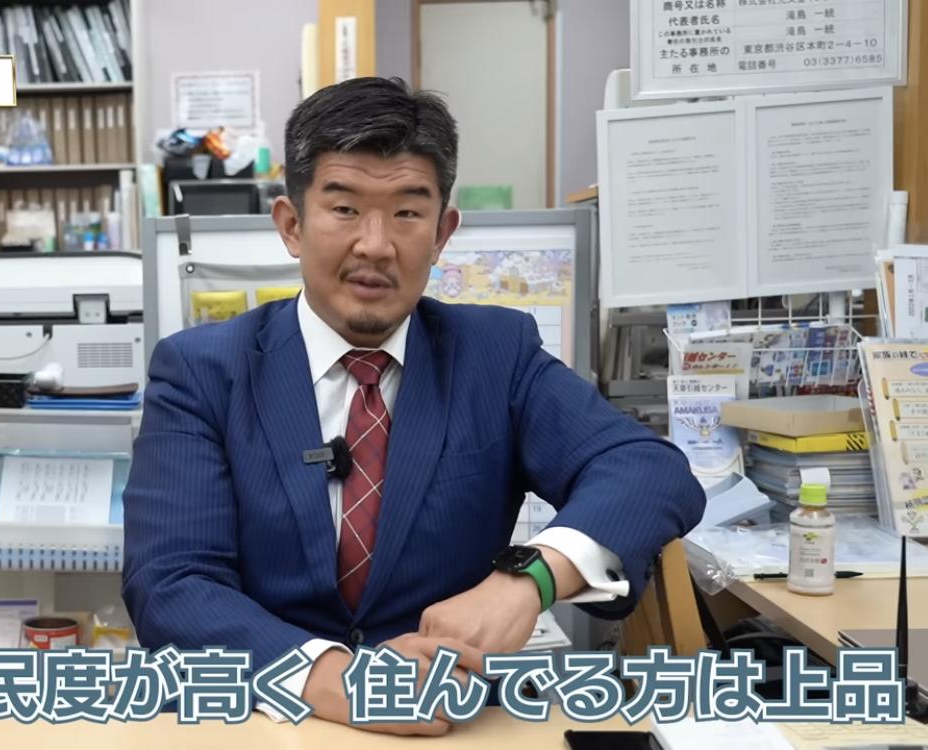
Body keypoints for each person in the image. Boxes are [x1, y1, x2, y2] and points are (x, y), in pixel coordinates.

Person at [121, 76, 706, 735]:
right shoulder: (203, 372)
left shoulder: (495, 355)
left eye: (407, 212)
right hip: (264, 722)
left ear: (442, 232)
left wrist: (529, 581)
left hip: (452, 722)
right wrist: (338, 680)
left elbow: (646, 470)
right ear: (291, 224)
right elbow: (170, 583)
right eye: (345, 209)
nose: (376, 244)